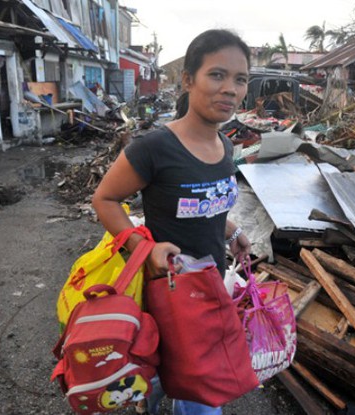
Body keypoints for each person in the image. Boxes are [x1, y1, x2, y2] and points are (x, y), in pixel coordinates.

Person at [92, 29, 252, 415]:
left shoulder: (225, 145)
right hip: (166, 291)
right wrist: (143, 248)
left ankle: (147, 396)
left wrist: (234, 232)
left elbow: (208, 202)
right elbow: (105, 200)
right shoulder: (153, 148)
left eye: (240, 79)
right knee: (196, 391)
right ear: (187, 80)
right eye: (217, 75)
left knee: (170, 371)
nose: (229, 89)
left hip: (207, 286)